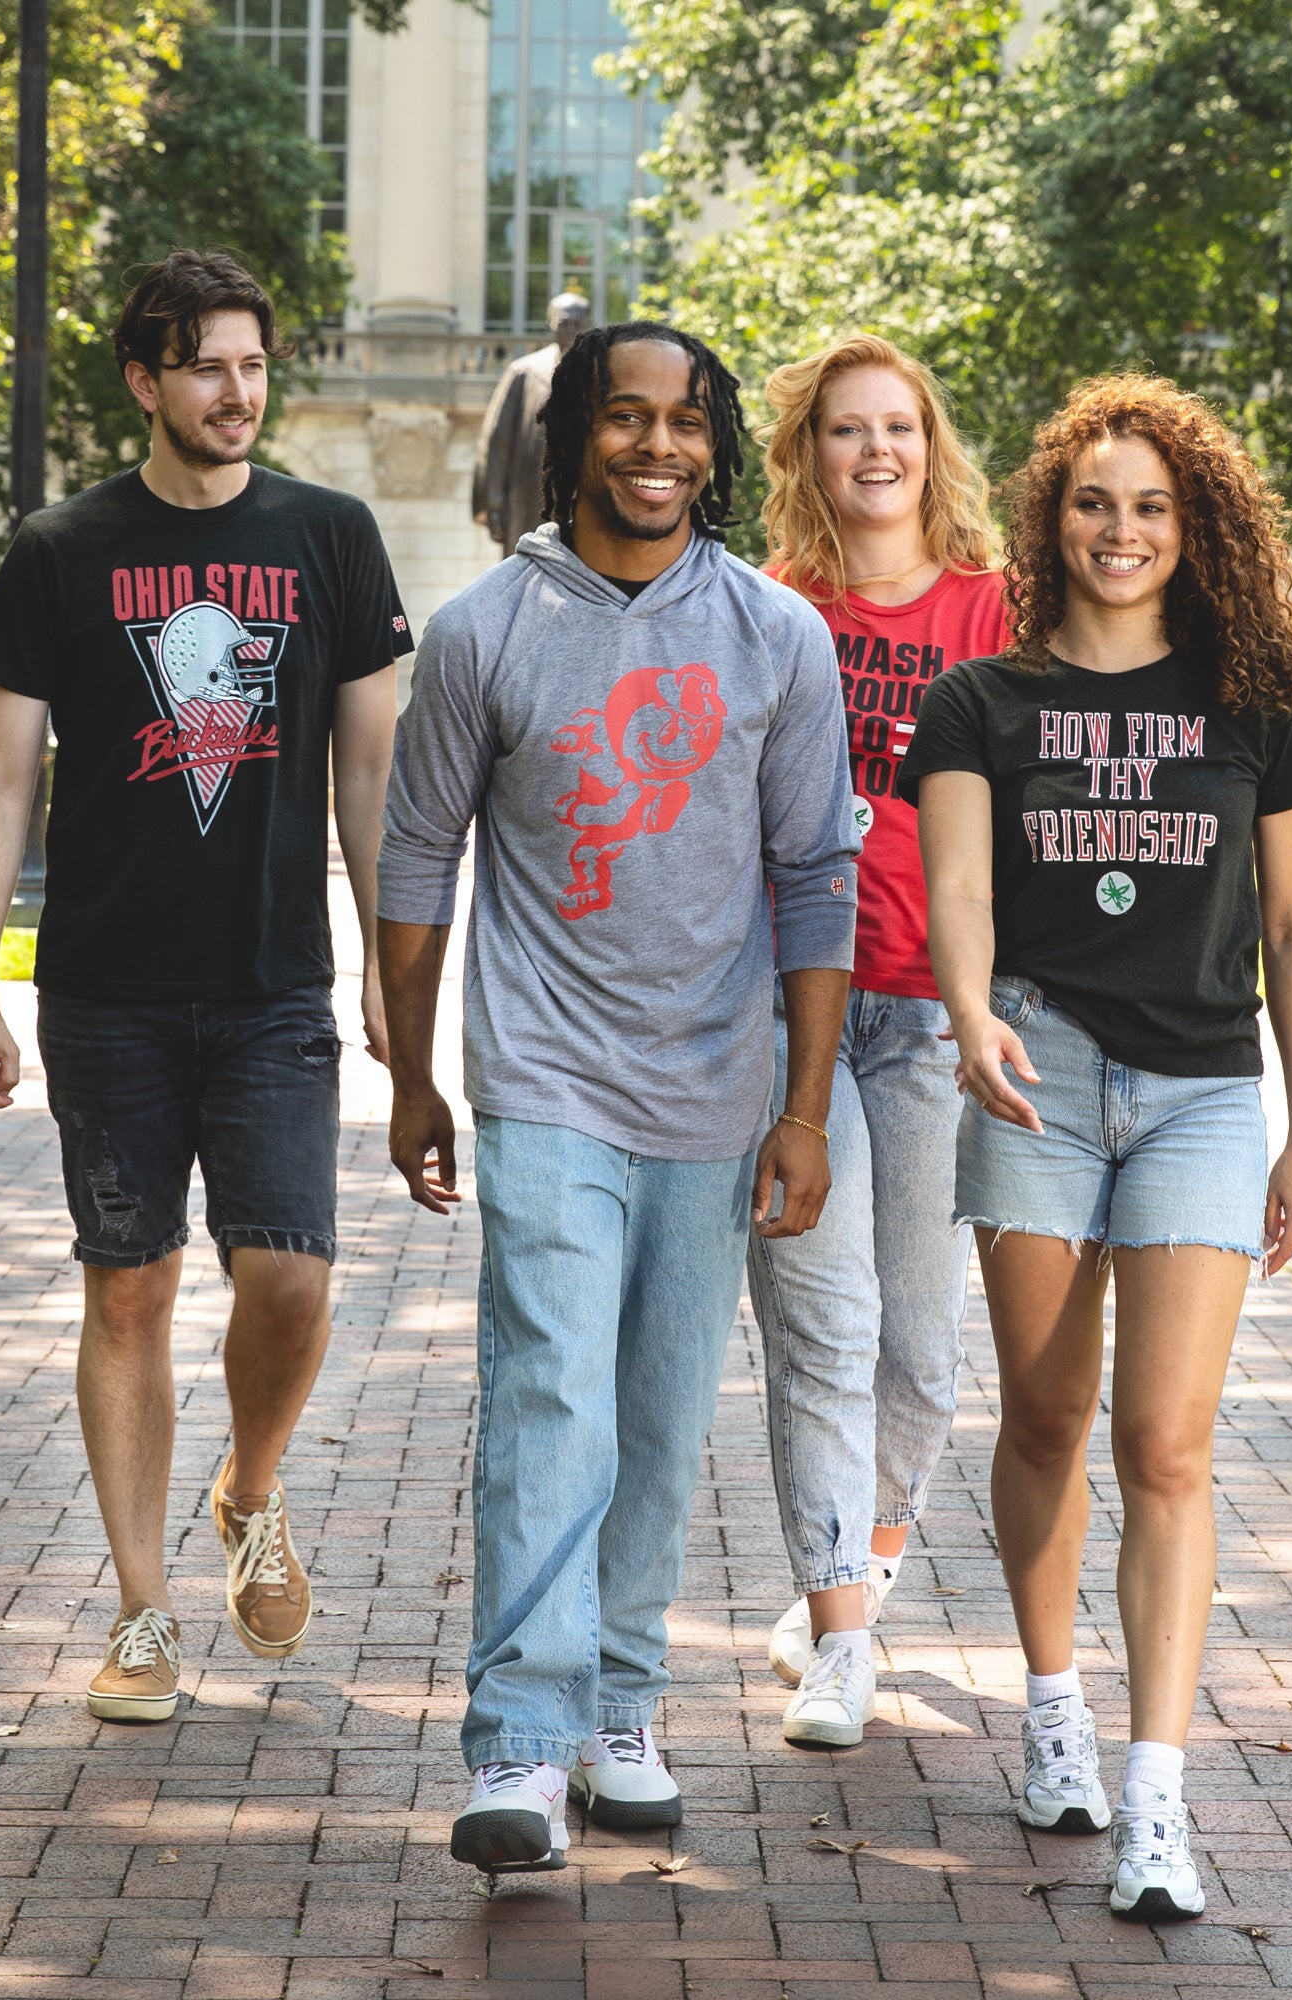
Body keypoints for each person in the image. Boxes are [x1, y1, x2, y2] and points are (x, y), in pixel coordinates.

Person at [378, 321, 857, 1875]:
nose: (659, 447)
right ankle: (520, 1740)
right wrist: (411, 1074)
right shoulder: (484, 632)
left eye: (688, 424)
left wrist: (801, 1105)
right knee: (549, 1394)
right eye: (627, 419)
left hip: (718, 1092)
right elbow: (412, 865)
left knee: (656, 1417)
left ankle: (622, 1712)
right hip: (547, 1079)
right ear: (577, 436)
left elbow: (813, 876)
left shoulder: (778, 636)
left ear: (715, 448)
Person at [0, 249, 412, 1723]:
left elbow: (375, 768)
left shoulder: (330, 536)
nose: (236, 391)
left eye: (253, 365)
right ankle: (142, 1612)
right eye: (205, 365)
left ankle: (248, 1488)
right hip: (107, 988)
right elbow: (2, 771)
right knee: (128, 1289)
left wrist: (398, 972)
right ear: (145, 382)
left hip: (276, 985)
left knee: (289, 1280)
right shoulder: (63, 549)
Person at [898, 375, 1292, 1922]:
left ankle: (1158, 1795)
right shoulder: (981, 705)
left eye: (1152, 505)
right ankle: (1053, 1702)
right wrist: (967, 1013)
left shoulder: (1256, 706)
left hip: (1205, 1093)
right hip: (1040, 1071)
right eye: (1096, 503)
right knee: (1044, 1414)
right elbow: (955, 891)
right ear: (1053, 519)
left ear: (1191, 523)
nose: (1123, 530)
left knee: (1166, 1440)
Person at [749, 334, 1007, 1749]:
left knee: (920, 1354)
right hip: (795, 1015)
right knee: (822, 1328)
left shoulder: (994, 612)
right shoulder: (774, 609)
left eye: (899, 425)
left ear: (930, 442)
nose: (877, 451)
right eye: (846, 430)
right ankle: (842, 1638)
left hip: (934, 1015)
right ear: (810, 455)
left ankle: (858, 1572)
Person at [471, 291, 592, 554]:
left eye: (577, 325)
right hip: (527, 495)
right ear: (550, 323)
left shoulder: (602, 376)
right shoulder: (524, 373)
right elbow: (497, 440)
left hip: (584, 502)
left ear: (588, 326)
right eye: (564, 324)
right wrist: (493, 503)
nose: (570, 332)